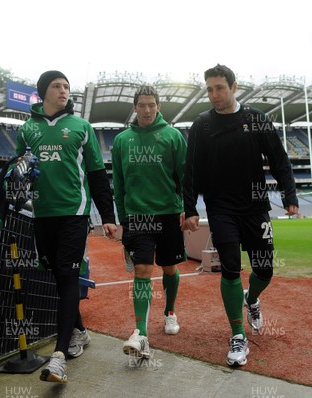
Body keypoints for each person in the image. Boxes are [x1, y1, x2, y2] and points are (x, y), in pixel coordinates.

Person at [183, 64, 298, 367]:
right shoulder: (202, 126)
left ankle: (252, 298)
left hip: (256, 207)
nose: (214, 94)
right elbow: (191, 171)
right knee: (230, 269)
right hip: (220, 209)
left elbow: (279, 159)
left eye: (219, 88)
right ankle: (237, 335)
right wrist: (190, 208)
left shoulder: (256, 119)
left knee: (265, 270)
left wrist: (290, 196)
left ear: (234, 87)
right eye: (209, 89)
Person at [15, 70, 117, 383]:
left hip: (74, 213)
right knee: (57, 275)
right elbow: (19, 174)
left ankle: (59, 356)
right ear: (43, 92)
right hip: (41, 214)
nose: (64, 91)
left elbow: (98, 177)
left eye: (67, 87)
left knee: (69, 274)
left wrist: (108, 218)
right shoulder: (26, 130)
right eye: (57, 86)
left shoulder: (81, 127)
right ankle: (81, 331)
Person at [111, 84, 187, 358]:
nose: (146, 110)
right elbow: (118, 184)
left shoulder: (173, 136)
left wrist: (185, 208)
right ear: (134, 107)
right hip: (137, 216)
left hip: (168, 213)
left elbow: (184, 176)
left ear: (158, 107)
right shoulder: (122, 140)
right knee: (143, 270)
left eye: (151, 105)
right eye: (141, 105)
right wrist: (123, 218)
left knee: (169, 268)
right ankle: (141, 333)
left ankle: (170, 311)